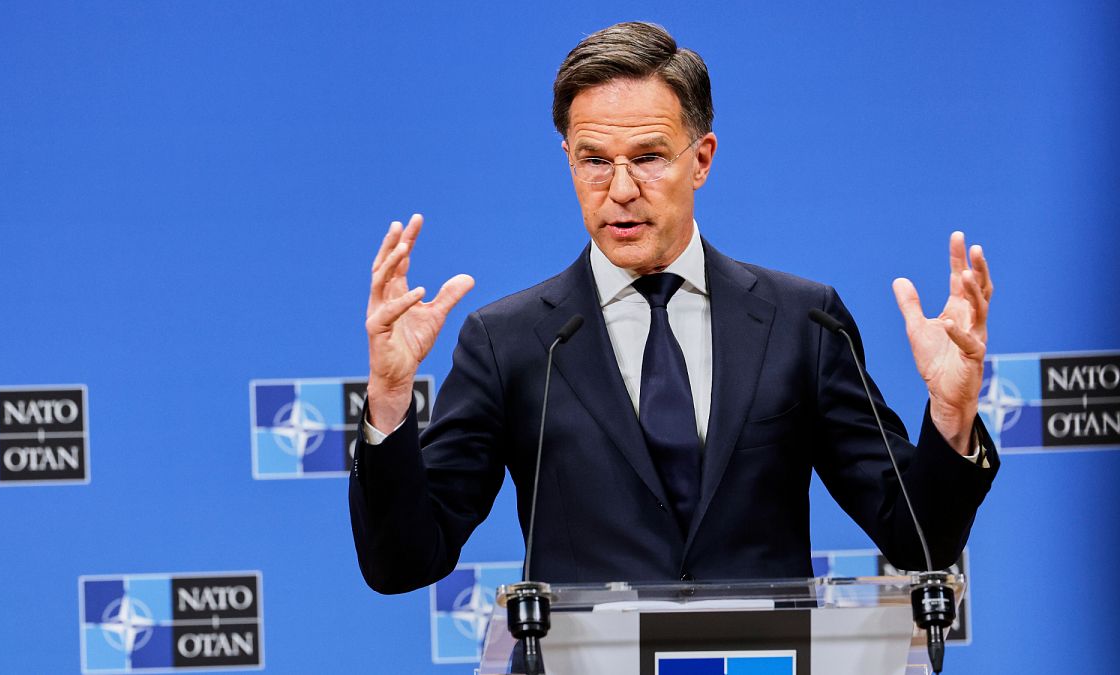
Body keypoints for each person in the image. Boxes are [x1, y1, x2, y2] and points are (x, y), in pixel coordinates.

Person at [349, 22, 998, 595]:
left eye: (649, 158)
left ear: (702, 160)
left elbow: (919, 540)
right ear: (568, 160)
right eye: (594, 161)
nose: (620, 189)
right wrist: (389, 400)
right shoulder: (510, 341)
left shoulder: (803, 321)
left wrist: (951, 415)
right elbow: (402, 562)